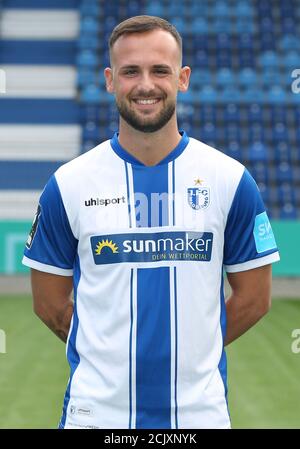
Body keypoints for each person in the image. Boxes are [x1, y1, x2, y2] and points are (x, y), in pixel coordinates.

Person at [22, 15, 280, 429]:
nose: (145, 85)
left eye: (160, 70)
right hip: (96, 418)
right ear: (110, 80)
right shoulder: (68, 185)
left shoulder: (229, 180)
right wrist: (110, 352)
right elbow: (49, 304)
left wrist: (190, 352)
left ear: (183, 78)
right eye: (130, 72)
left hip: (199, 418)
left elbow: (255, 299)